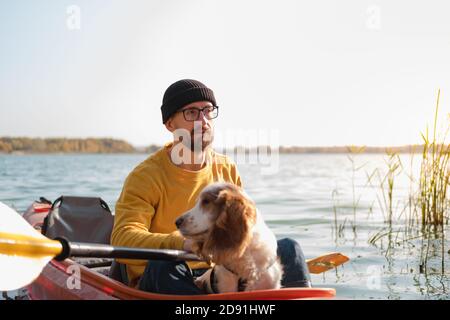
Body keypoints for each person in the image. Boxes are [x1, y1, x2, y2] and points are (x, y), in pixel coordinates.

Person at [111, 79, 311, 294]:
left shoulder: (226, 168)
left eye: (207, 110)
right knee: (163, 265)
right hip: (167, 274)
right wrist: (182, 243)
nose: (203, 121)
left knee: (290, 249)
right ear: (170, 124)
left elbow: (243, 226)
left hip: (216, 273)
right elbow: (123, 237)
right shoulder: (145, 176)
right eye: (191, 113)